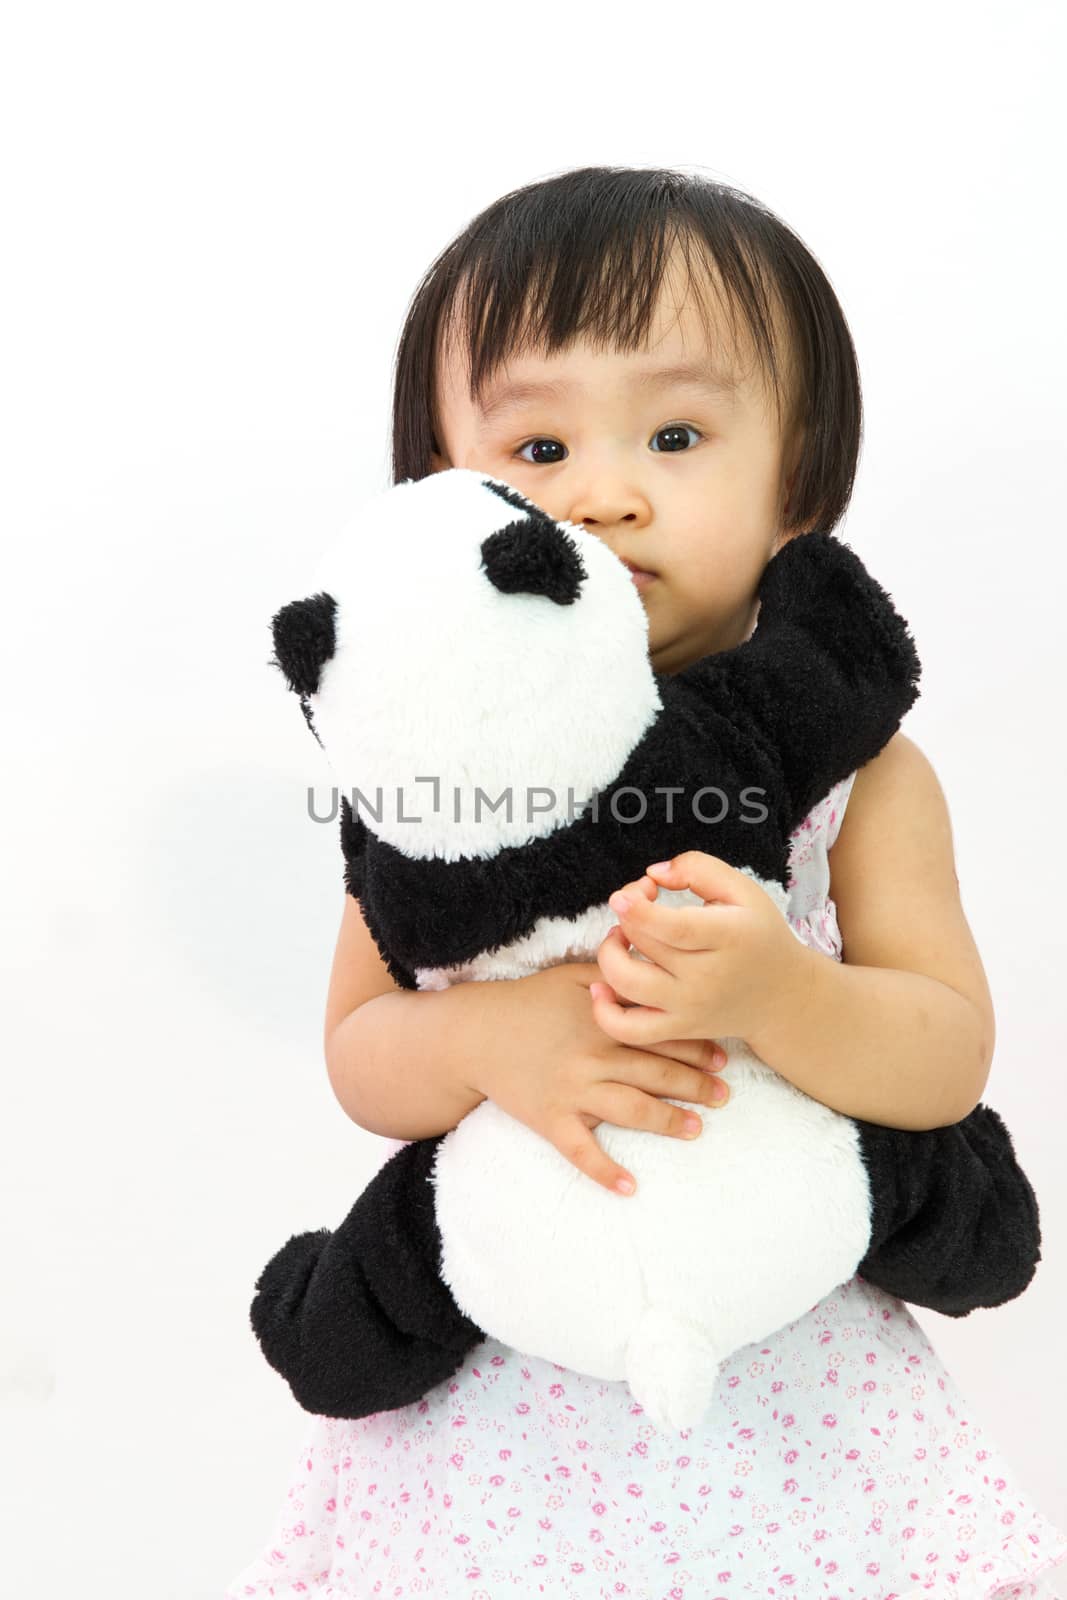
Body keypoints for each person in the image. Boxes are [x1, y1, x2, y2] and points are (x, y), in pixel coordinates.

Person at [225, 165, 1067, 1598]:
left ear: (797, 479)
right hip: (507, 1394)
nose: (602, 497)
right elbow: (364, 1053)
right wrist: (492, 1037)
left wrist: (786, 993)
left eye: (674, 435)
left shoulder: (857, 774)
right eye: (536, 447)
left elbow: (943, 1053)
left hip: (788, 1383)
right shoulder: (434, 794)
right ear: (437, 492)